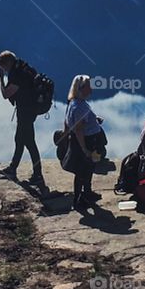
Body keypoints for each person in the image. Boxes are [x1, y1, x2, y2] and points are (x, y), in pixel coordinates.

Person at [0, 50, 45, 188]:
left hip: (26, 112)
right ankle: (14, 169)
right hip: (30, 110)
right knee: (21, 139)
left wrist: (1, 79)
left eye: (3, 67)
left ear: (8, 63)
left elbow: (6, 94)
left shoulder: (18, 74)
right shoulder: (23, 67)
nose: (4, 70)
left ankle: (37, 175)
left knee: (28, 142)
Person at [65, 74, 102, 213]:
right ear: (81, 89)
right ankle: (78, 199)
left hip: (89, 140)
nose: (91, 90)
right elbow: (79, 129)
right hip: (87, 142)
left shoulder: (75, 102)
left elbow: (73, 122)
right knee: (82, 171)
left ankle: (87, 193)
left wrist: (94, 119)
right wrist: (84, 149)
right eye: (88, 87)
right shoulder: (79, 106)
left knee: (88, 168)